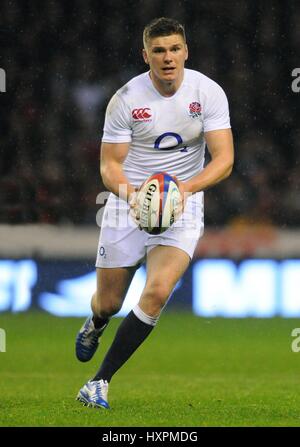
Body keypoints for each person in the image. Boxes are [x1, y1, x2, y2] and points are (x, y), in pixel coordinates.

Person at [75, 17, 234, 410]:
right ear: (146, 55)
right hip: (128, 203)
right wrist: (131, 194)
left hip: (183, 201)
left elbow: (225, 159)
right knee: (109, 303)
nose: (168, 58)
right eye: (159, 51)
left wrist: (184, 189)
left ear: (186, 52)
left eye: (175, 49)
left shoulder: (208, 93)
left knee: (158, 291)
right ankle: (95, 322)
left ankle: (98, 383)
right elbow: (109, 165)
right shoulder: (126, 99)